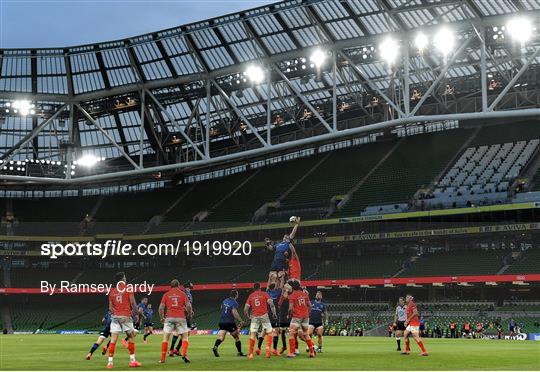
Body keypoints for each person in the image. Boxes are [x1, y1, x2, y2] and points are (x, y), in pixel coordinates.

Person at [106, 272, 142, 369]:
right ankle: (132, 361)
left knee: (113, 339)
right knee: (130, 337)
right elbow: (133, 303)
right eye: (125, 277)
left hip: (115, 318)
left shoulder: (112, 292)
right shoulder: (128, 289)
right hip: (126, 317)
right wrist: (135, 314)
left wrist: (116, 314)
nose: (126, 279)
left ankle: (110, 363)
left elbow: (110, 308)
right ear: (122, 279)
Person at [159, 279, 193, 364]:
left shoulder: (166, 294)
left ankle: (163, 358)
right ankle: (184, 355)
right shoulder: (183, 294)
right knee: (185, 337)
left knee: (166, 338)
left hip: (169, 318)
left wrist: (162, 317)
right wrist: (189, 314)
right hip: (180, 318)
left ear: (170, 286)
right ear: (178, 285)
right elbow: (188, 306)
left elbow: (161, 308)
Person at [244, 282, 277, 360]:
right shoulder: (264, 294)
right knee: (269, 332)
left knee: (253, 334)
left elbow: (245, 309)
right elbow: (271, 304)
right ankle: (268, 350)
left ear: (253, 288)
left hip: (255, 317)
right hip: (264, 315)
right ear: (260, 287)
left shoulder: (251, 296)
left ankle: (251, 354)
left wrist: (248, 317)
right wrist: (274, 313)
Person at [265, 217, 300, 288]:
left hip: (282, 261)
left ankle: (279, 290)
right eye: (284, 237)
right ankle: (269, 290)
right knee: (272, 276)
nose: (285, 238)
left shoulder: (288, 243)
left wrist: (296, 225)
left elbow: (292, 234)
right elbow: (271, 248)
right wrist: (267, 244)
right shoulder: (278, 244)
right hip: (275, 261)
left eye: (287, 237)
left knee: (281, 276)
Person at [212, 290, 246, 357]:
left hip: (222, 321)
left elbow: (221, 308)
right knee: (236, 337)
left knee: (221, 337)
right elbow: (234, 313)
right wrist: (241, 321)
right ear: (236, 295)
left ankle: (215, 347)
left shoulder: (224, 301)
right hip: (230, 322)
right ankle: (239, 352)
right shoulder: (234, 302)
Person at [287, 280, 315, 358]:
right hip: (305, 317)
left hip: (297, 316)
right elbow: (310, 306)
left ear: (292, 287)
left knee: (292, 333)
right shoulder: (305, 294)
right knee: (306, 334)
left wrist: (289, 315)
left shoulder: (292, 295)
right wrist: (308, 313)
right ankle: (312, 352)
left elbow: (290, 308)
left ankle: (292, 353)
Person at [256, 283, 281, 356]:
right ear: (274, 287)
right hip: (272, 314)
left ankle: (258, 348)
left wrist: (270, 277)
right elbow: (272, 304)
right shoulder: (277, 292)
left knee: (264, 331)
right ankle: (274, 349)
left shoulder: (266, 293)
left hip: (265, 314)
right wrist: (275, 314)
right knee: (275, 331)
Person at [170, 281, 194, 356]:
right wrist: (189, 311)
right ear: (187, 287)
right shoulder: (185, 294)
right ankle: (173, 350)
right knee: (183, 333)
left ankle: (175, 350)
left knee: (182, 332)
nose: (190, 289)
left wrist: (191, 310)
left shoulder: (184, 293)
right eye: (189, 287)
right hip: (184, 315)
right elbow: (184, 304)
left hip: (182, 315)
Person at [277, 283, 292, 355]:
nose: (286, 289)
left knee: (292, 332)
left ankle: (293, 348)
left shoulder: (291, 296)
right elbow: (279, 305)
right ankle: (284, 346)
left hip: (290, 316)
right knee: (282, 332)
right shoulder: (282, 296)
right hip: (283, 316)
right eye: (285, 287)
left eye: (288, 287)